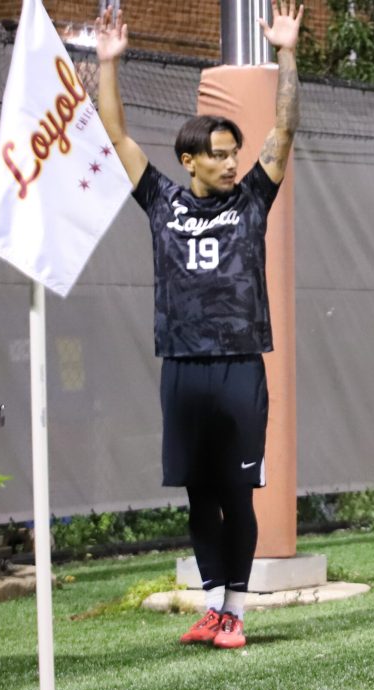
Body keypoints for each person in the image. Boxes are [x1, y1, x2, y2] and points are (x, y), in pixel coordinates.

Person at [95, 0, 302, 650]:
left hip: (240, 364)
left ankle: (236, 612)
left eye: (234, 152)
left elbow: (285, 132)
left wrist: (287, 53)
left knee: (237, 492)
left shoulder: (253, 198)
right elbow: (115, 134)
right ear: (190, 161)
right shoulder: (162, 200)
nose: (231, 163)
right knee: (196, 492)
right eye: (218, 156)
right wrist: (108, 65)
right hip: (182, 366)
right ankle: (213, 607)